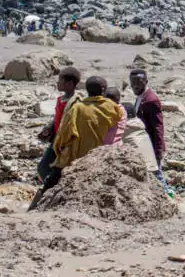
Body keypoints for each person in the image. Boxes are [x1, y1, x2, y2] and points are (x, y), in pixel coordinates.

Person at [30, 76, 119, 208]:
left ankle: (34, 209)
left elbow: (64, 133)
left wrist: (58, 148)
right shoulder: (112, 107)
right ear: (103, 90)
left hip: (74, 154)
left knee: (50, 182)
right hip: (96, 154)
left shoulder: (78, 108)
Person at [37, 67, 81, 181]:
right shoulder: (61, 99)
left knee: (45, 167)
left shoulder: (75, 102)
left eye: (60, 81)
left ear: (70, 83)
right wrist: (50, 126)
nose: (57, 83)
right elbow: (58, 117)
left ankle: (52, 188)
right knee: (46, 167)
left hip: (64, 141)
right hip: (56, 139)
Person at [129, 69, 166, 182]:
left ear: (146, 81)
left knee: (156, 178)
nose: (135, 85)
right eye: (132, 82)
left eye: (138, 82)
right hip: (142, 145)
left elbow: (158, 127)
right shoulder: (140, 97)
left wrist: (158, 151)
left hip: (151, 147)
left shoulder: (151, 100)